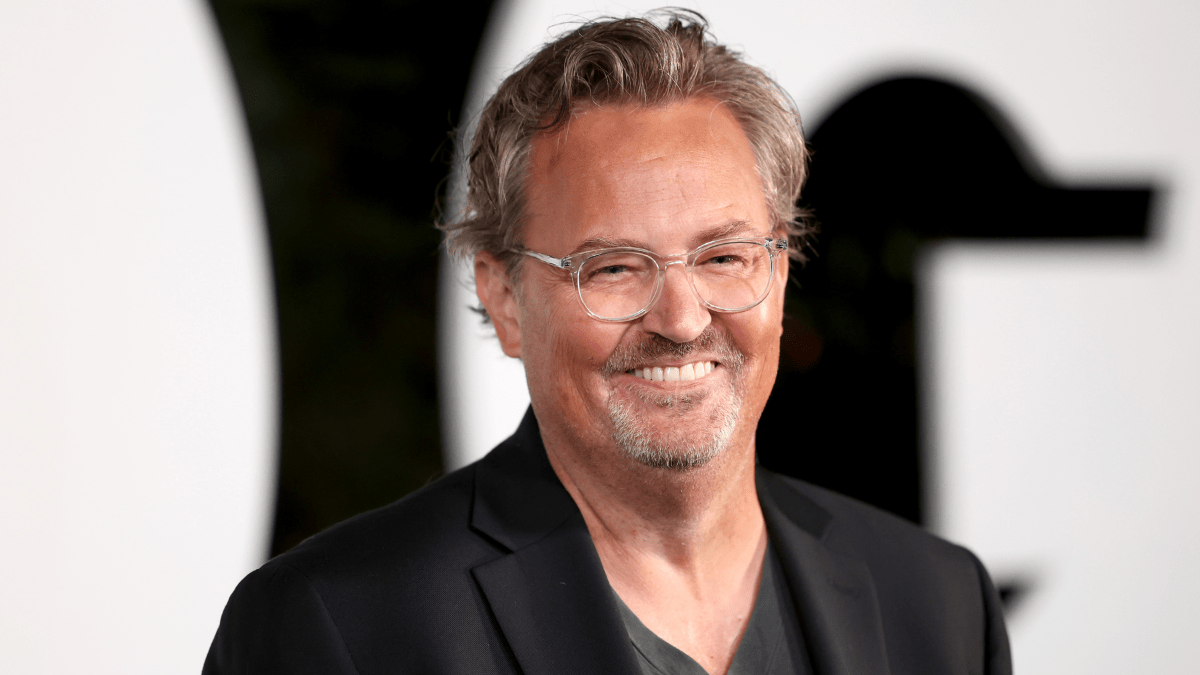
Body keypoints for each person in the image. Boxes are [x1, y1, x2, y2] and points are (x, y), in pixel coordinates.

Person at [204, 11, 1011, 675]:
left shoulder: (939, 606)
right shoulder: (336, 628)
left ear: (783, 266)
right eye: (615, 267)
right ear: (503, 295)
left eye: (724, 256)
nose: (683, 318)